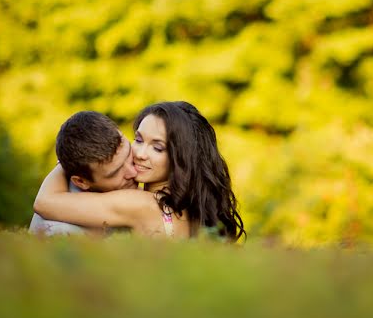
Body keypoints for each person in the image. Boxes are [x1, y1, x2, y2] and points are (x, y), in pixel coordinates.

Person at [33, 101, 245, 241]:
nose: (141, 153)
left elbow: (45, 203)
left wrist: (66, 161)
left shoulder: (142, 204)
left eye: (158, 147)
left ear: (182, 158)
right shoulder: (178, 207)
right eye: (138, 139)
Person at [29, 111, 137, 235]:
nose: (133, 172)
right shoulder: (60, 233)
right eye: (115, 173)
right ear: (81, 181)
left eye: (128, 154)